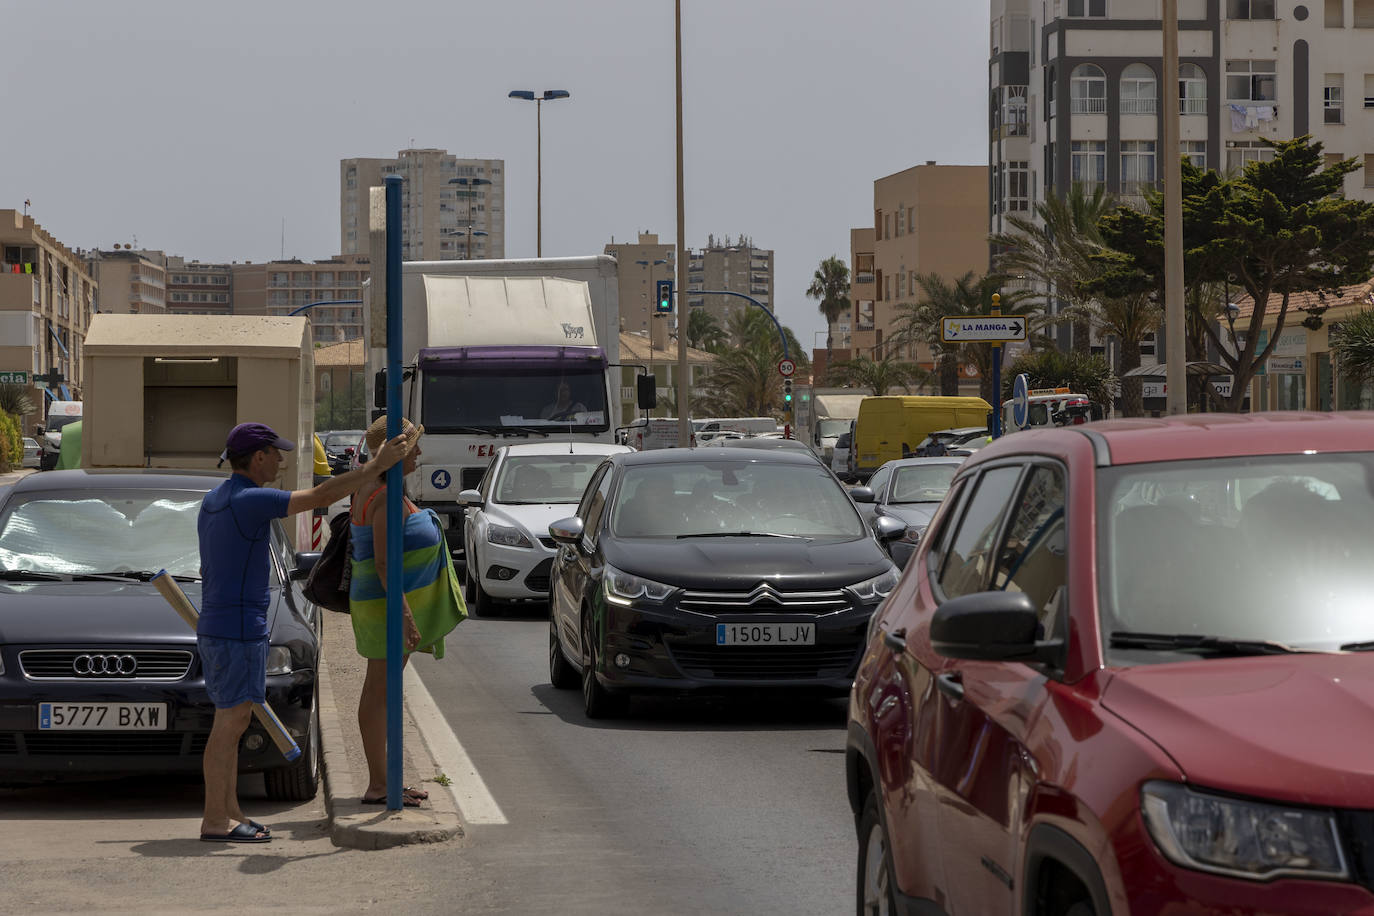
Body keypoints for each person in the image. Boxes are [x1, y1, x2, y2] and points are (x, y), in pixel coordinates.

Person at [196, 421, 409, 843]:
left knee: (232, 722)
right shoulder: (249, 499)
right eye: (276, 453)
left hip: (223, 625)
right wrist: (375, 467)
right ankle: (215, 819)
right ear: (257, 457)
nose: (281, 460)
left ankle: (229, 811)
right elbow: (322, 496)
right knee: (231, 722)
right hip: (238, 627)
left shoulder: (215, 499)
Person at [349, 416, 467, 807]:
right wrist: (406, 615)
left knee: (382, 691)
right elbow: (384, 563)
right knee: (380, 692)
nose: (419, 452)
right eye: (412, 445)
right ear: (394, 452)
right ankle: (380, 784)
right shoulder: (382, 496)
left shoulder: (384, 489)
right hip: (385, 608)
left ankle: (388, 778)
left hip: (382, 605)